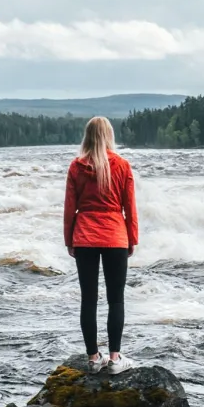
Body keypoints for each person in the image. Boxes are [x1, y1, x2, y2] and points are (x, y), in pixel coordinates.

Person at [63, 116, 138, 375]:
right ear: (109, 136)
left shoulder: (76, 167)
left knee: (89, 299)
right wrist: (133, 238)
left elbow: (70, 209)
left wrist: (69, 239)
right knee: (116, 300)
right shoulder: (122, 165)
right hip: (115, 235)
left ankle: (94, 358)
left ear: (87, 136)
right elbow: (130, 208)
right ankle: (115, 358)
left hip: (84, 237)